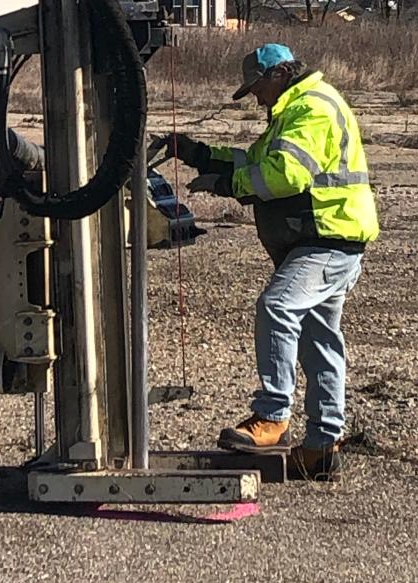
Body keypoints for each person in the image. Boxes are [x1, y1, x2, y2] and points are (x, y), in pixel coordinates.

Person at [152, 42, 379, 481]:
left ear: (278, 75)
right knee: (319, 340)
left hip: (327, 237)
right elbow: (256, 160)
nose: (255, 97)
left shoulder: (310, 108)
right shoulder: (294, 111)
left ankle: (273, 416)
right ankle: (320, 449)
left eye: (256, 87)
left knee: (277, 307)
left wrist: (227, 186)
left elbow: (284, 175)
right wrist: (198, 153)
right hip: (325, 239)